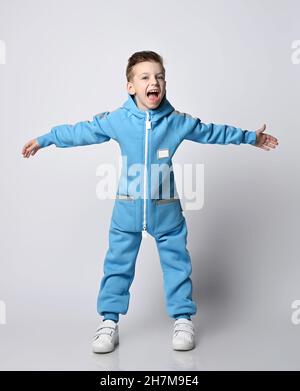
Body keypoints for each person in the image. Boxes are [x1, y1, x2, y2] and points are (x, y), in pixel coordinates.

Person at [22, 50, 279, 354]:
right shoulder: (117, 120)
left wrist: (250, 137)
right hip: (127, 211)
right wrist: (46, 138)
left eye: (159, 77)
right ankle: (108, 322)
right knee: (117, 266)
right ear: (131, 87)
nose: (153, 81)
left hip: (166, 211)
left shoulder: (176, 121)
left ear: (165, 84)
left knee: (177, 266)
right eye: (145, 77)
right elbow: (82, 131)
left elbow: (212, 132)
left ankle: (183, 319)